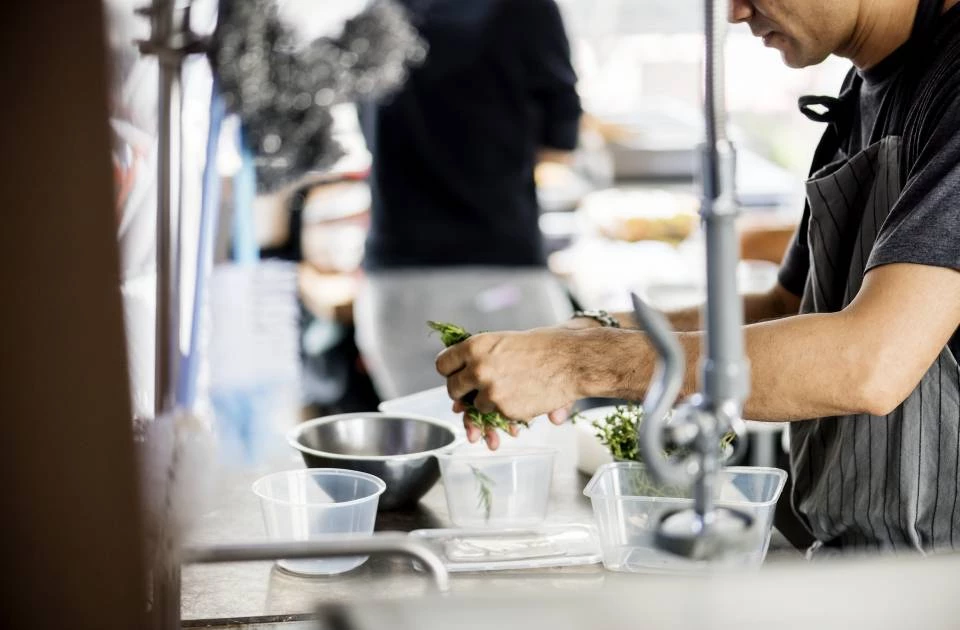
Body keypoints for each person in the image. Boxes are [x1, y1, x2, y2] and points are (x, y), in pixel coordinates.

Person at [436, 0, 960, 554]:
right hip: (866, 556)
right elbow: (787, 306)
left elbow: (869, 363)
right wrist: (595, 330)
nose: (733, 12)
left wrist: (580, 365)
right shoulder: (861, 94)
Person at [355, 0, 583, 400]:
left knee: (422, 451)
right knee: (534, 453)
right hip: (499, 277)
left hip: (392, 289)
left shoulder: (375, 9)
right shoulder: (526, 10)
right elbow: (559, 144)